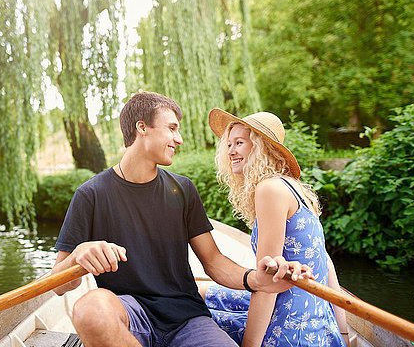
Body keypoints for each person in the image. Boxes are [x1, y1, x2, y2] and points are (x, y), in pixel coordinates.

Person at [49, 92, 312, 347]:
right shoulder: (90, 194)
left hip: (187, 318)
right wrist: (78, 255)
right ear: (143, 127)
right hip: (130, 315)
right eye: (172, 128)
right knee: (90, 310)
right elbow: (59, 285)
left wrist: (254, 280)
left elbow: (214, 261)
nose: (180, 138)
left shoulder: (183, 190)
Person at [198, 108, 349, 347]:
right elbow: (326, 263)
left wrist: (250, 345)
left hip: (291, 329)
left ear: (260, 148)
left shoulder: (270, 189)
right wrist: (342, 333)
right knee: (201, 291)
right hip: (321, 325)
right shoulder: (294, 188)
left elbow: (267, 283)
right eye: (229, 144)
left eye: (239, 143)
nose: (231, 151)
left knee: (189, 316)